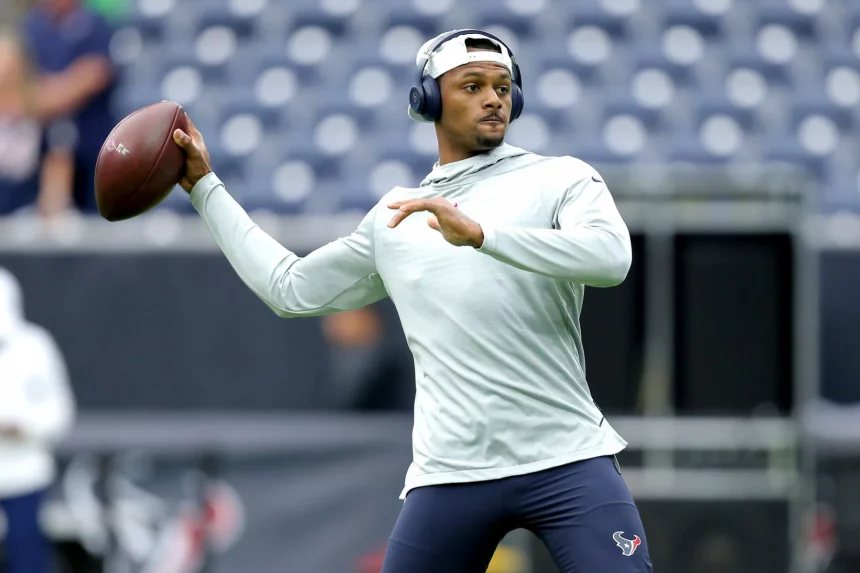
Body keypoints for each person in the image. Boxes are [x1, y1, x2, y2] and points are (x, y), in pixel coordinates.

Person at [172, 29, 652, 573]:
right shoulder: (396, 216)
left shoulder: (561, 177)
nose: (493, 97)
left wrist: (482, 235)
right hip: (450, 473)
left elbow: (612, 258)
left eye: (502, 86)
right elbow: (291, 288)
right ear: (427, 100)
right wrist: (204, 189)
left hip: (566, 458)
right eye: (472, 85)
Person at [0, 267, 76, 573]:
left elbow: (61, 413)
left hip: (24, 478)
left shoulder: (35, 346)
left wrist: (23, 425)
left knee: (26, 561)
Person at [10, 0, 117, 214]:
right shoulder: (35, 27)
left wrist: (53, 94)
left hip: (92, 148)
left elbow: (96, 74)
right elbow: (22, 80)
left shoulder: (95, 24)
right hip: (42, 150)